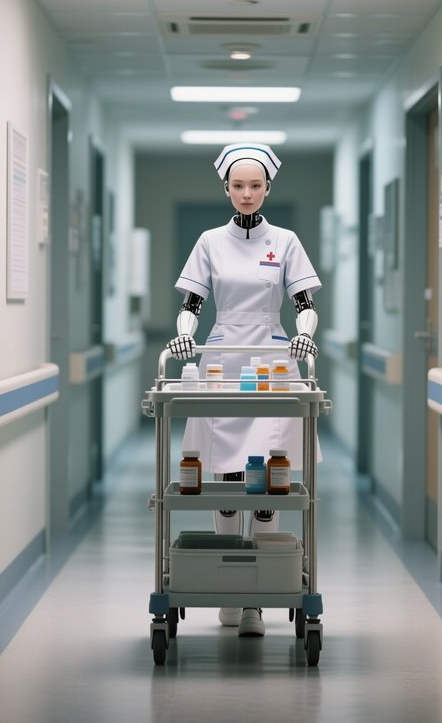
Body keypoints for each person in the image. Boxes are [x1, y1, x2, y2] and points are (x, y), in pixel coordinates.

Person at [167, 143, 321, 637]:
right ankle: (228, 591)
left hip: (274, 359)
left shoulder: (287, 241)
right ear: (226, 189)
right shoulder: (210, 241)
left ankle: (257, 600)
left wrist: (306, 332)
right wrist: (186, 331)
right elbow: (192, 301)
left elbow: (304, 302)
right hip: (221, 358)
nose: (247, 193)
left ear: (268, 188)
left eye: (256, 186)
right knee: (226, 477)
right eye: (238, 185)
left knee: (268, 480)